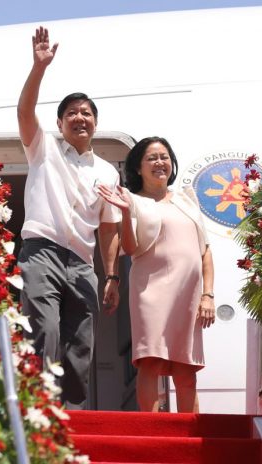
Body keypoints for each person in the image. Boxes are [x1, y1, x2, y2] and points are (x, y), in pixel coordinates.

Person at [16, 26, 121, 409]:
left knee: (81, 341)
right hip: (41, 252)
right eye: (72, 113)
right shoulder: (43, 148)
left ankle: (73, 416)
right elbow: (25, 111)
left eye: (87, 113)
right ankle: (38, 410)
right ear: (60, 124)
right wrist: (39, 67)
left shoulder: (108, 171)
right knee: (45, 330)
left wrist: (111, 275)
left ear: (95, 123)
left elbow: (109, 228)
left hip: (82, 263)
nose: (81, 118)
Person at [97, 136, 215, 413]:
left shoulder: (187, 199)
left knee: (186, 369)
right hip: (150, 290)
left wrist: (207, 296)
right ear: (138, 167)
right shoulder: (132, 200)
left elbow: (205, 252)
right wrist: (126, 214)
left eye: (164, 156)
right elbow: (130, 247)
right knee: (149, 361)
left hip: (188, 294)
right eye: (151, 158)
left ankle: (189, 439)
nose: (159, 163)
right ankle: (153, 434)